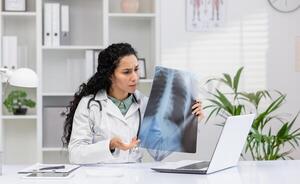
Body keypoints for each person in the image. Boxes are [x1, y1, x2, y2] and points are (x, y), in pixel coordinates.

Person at [62, 43, 204, 164]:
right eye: (126, 72)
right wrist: (109, 145)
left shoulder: (145, 103)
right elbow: (75, 154)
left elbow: (157, 152)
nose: (135, 77)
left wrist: (189, 121)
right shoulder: (90, 105)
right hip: (100, 178)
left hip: (134, 177)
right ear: (110, 75)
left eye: (136, 69)